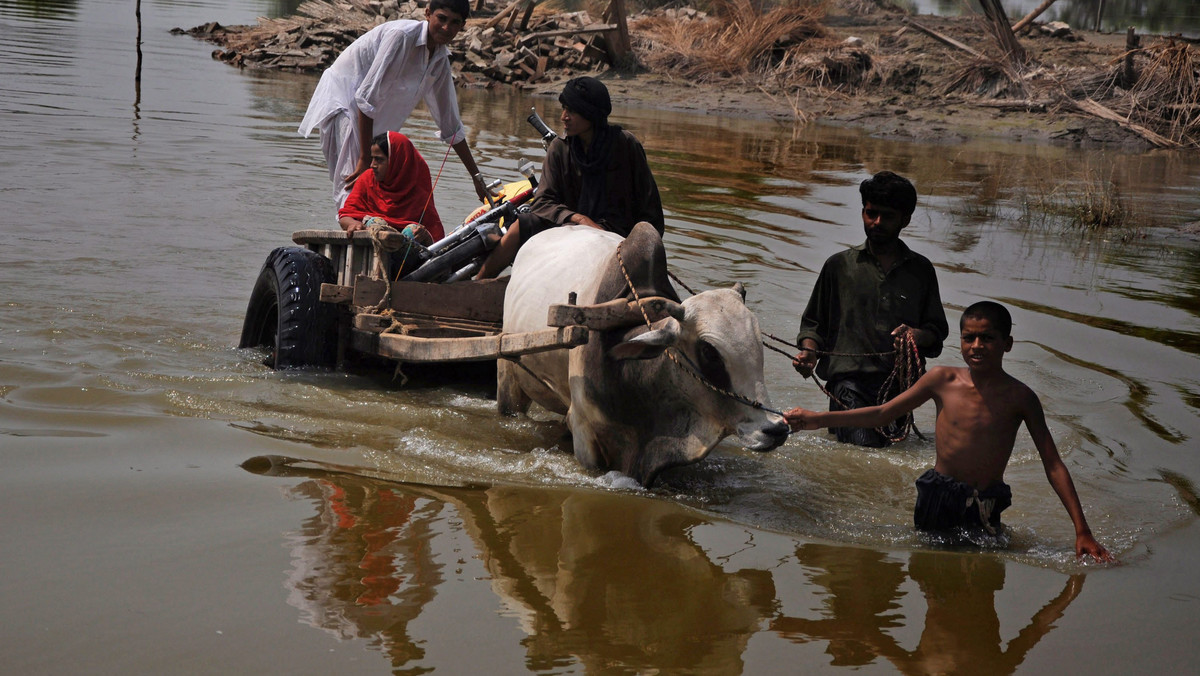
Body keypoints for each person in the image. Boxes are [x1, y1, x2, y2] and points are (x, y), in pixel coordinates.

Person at [785, 301, 1114, 561]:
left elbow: (1053, 464)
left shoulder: (1021, 397)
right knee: (935, 575)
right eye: (968, 337)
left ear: (1007, 344)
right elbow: (883, 413)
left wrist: (1082, 530)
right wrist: (817, 419)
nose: (976, 346)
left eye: (987, 337)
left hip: (987, 502)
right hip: (938, 497)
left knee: (985, 581)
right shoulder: (942, 380)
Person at [792, 171, 948, 447]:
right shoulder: (839, 266)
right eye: (870, 213)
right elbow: (814, 324)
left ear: (905, 220)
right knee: (863, 451)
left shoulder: (921, 271)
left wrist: (916, 334)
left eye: (887, 216)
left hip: (898, 390)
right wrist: (809, 353)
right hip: (848, 384)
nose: (876, 223)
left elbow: (936, 333)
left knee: (888, 450)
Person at [298, 0, 487, 208]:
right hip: (343, 104)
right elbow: (365, 98)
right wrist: (364, 157)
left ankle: (369, 233)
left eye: (454, 23)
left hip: (372, 119)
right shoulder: (402, 36)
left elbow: (451, 127)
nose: (446, 27)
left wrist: (477, 179)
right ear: (427, 14)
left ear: (462, 27)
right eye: (441, 18)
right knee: (354, 185)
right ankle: (353, 233)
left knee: (376, 187)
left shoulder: (439, 61)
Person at [475, 76, 664, 279]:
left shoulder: (626, 146)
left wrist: (635, 245)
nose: (564, 117)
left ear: (592, 114)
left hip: (615, 234)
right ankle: (479, 281)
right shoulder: (559, 148)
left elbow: (650, 211)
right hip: (566, 224)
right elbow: (544, 201)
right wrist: (579, 219)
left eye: (572, 110)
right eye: (564, 109)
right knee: (521, 225)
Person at [338, 131, 443, 245]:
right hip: (369, 246)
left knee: (412, 230)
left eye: (379, 160)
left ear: (396, 161)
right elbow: (345, 215)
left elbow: (434, 234)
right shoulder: (367, 179)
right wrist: (353, 224)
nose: (372, 165)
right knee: (375, 223)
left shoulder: (417, 187)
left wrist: (424, 235)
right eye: (372, 159)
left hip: (406, 251)